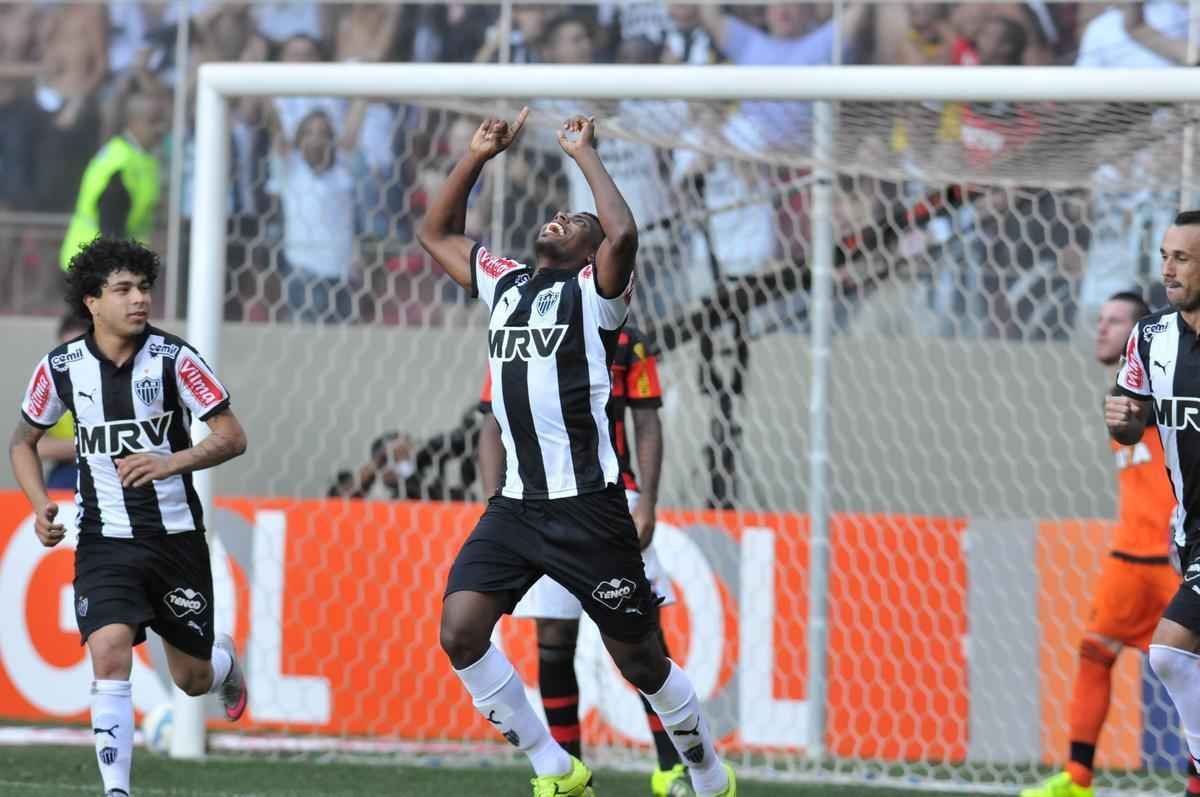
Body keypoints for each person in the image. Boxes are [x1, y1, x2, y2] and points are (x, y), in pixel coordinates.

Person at [417, 110, 736, 797]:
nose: (560, 218)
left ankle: (708, 773)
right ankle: (555, 768)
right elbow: (435, 232)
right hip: (516, 508)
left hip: (590, 508)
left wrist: (586, 154)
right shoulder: (503, 280)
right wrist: (475, 155)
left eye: (574, 220)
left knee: (642, 660)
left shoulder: (598, 298)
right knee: (460, 632)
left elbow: (624, 231)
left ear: (593, 250)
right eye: (559, 214)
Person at [8, 238, 249, 797]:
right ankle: (118, 791)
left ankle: (222, 662)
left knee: (190, 680)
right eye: (123, 289)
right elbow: (23, 443)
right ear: (92, 301)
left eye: (143, 287)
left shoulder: (175, 359)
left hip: (176, 540)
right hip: (103, 540)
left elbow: (232, 437)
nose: (139, 299)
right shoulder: (62, 368)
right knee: (109, 651)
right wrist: (38, 502)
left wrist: (174, 462)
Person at [478, 323, 688, 796]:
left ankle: (672, 766)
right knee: (553, 632)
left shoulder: (628, 341)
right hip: (537, 503)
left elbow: (647, 420)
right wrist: (496, 503)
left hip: (614, 501)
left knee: (642, 633)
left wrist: (648, 501)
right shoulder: (520, 333)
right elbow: (491, 423)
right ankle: (567, 772)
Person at [1021, 291, 1179, 797]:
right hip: (1130, 558)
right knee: (1094, 651)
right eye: (1101, 319)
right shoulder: (1119, 394)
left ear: (1140, 336)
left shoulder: (1160, 385)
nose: (1101, 329)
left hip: (1175, 560)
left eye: (1115, 321)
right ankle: (1077, 778)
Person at [1108, 211, 1200, 797]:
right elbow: (1127, 418)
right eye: (1165, 255)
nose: (1167, 268)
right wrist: (1120, 419)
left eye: (1183, 258)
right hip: (1191, 530)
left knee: (1168, 651)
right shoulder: (1150, 336)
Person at [59, 91, 169, 270]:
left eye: (162, 121)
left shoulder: (140, 157)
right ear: (134, 123)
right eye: (153, 122)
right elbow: (111, 228)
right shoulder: (120, 166)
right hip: (94, 263)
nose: (160, 129)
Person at [40, 313, 92, 490]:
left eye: (80, 349)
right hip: (67, 471)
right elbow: (38, 447)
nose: (72, 356)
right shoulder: (52, 387)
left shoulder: (118, 382)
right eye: (66, 349)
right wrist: (92, 445)